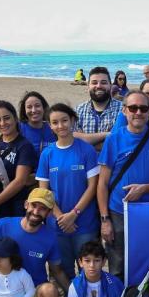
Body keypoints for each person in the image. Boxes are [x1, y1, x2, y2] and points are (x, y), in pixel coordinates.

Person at [97, 91, 149, 279]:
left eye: (143, 108)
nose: (138, 112)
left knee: (148, 262)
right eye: (133, 108)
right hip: (118, 213)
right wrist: (105, 220)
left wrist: (145, 188)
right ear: (124, 111)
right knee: (117, 266)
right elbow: (102, 183)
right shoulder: (113, 140)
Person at [37, 103, 100, 279]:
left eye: (64, 120)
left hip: (84, 223)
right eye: (55, 122)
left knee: (88, 269)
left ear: (72, 120)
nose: (60, 126)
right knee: (63, 270)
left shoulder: (86, 149)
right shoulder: (47, 154)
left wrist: (74, 213)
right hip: (57, 225)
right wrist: (61, 217)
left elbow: (93, 186)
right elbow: (44, 192)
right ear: (50, 126)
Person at [74, 67, 124, 151]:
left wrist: (85, 139)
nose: (99, 86)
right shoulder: (78, 111)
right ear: (88, 86)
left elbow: (120, 142)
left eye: (103, 82)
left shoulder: (123, 109)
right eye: (94, 83)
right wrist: (108, 134)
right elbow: (72, 139)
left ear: (110, 85)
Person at [20, 91, 57, 158]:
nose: (33, 110)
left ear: (44, 107)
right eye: (29, 107)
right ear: (24, 110)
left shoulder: (53, 127)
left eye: (37, 106)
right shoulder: (18, 128)